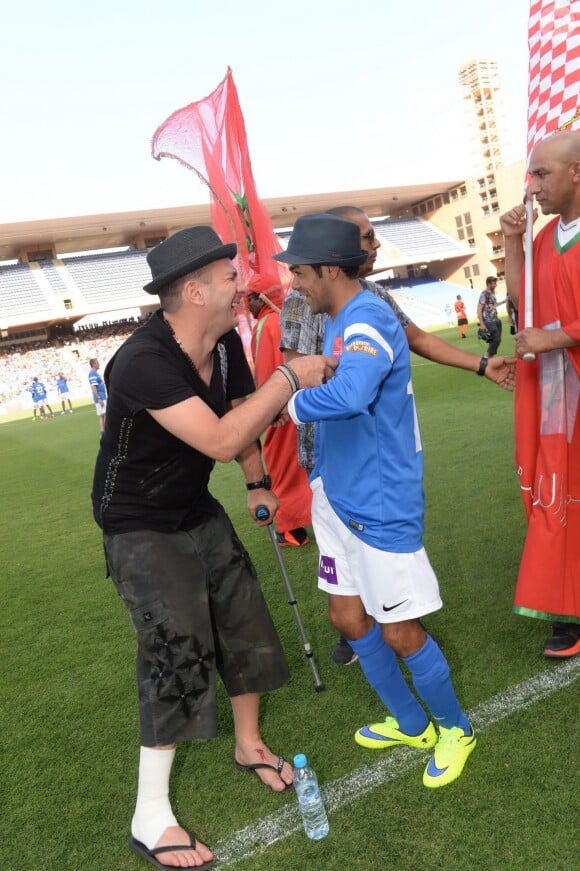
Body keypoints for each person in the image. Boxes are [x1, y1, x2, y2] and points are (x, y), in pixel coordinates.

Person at [91, 226, 334, 870]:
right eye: (230, 277)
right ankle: (150, 816)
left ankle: (248, 744)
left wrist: (257, 481)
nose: (241, 284)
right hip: (137, 520)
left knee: (242, 616)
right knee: (178, 648)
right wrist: (287, 377)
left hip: (192, 505)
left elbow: (238, 410)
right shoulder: (143, 361)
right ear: (194, 290)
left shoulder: (225, 340)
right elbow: (223, 437)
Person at [276, 214, 476, 789]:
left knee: (400, 631)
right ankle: (412, 723)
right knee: (345, 614)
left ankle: (455, 728)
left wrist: (285, 399)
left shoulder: (366, 316)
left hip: (380, 500)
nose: (294, 284)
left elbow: (353, 391)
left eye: (300, 272)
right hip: (337, 492)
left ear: (330, 269)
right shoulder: (341, 316)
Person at [280, 205, 516, 666]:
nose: (374, 245)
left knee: (385, 582)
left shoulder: (371, 298)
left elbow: (419, 340)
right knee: (348, 583)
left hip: (369, 456)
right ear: (337, 252)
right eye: (367, 237)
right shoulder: (303, 300)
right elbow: (292, 371)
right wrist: (291, 405)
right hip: (324, 451)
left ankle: (400, 632)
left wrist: (482, 364)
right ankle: (373, 631)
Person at [500, 130, 580, 659]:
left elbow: (551, 325)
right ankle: (568, 606)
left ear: (576, 171)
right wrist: (512, 242)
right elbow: (519, 297)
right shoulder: (548, 233)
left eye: (542, 174)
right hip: (556, 395)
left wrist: (557, 335)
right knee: (557, 493)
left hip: (569, 379)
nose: (532, 187)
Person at [247, 278, 312, 546]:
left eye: (249, 297)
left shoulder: (266, 325)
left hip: (280, 407)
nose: (246, 304)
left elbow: (265, 374)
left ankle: (291, 529)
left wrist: (268, 409)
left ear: (259, 298)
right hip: (301, 401)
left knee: (280, 465)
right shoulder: (286, 319)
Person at [477, 276, 506, 356]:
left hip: (495, 320)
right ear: (489, 284)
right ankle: (486, 358)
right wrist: (482, 323)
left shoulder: (492, 293)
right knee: (496, 339)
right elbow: (479, 308)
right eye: (494, 283)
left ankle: (489, 358)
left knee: (495, 340)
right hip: (488, 320)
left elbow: (493, 306)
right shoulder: (484, 293)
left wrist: (503, 302)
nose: (496, 285)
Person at [88, 358, 107, 435]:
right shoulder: (92, 373)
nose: (99, 364)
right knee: (105, 414)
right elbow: (93, 386)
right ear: (94, 364)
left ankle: (103, 432)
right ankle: (106, 431)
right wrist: (99, 398)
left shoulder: (95, 373)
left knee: (103, 415)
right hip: (100, 397)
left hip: (102, 396)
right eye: (97, 362)